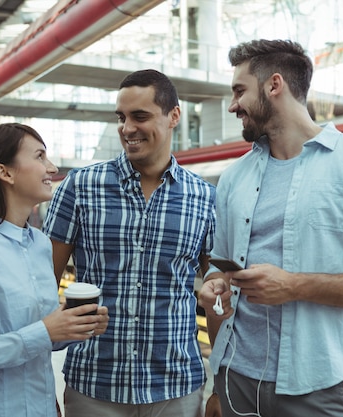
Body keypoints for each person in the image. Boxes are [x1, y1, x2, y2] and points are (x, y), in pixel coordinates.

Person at [198, 39, 343, 417]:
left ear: (274, 85)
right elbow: (219, 270)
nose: (233, 105)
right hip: (235, 378)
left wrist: (294, 285)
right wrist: (215, 285)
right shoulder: (233, 178)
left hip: (316, 386)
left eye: (239, 91)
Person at [42, 69, 216, 417]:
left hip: (176, 388)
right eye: (121, 118)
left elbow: (217, 297)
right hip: (93, 385)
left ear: (174, 116)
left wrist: (222, 386)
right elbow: (41, 289)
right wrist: (41, 388)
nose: (127, 128)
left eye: (140, 116)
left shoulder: (206, 198)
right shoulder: (79, 188)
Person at [0, 123, 109, 417]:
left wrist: (69, 327)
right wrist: (43, 331)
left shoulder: (40, 245)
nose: (51, 167)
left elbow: (39, 336)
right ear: (5, 172)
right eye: (39, 156)